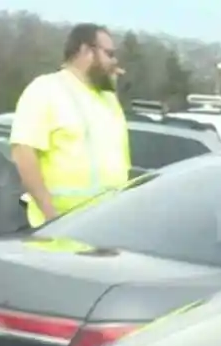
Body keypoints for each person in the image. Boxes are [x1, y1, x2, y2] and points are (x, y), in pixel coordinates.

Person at [8, 23, 132, 228]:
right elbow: (23, 152)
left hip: (107, 224)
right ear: (85, 51)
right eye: (109, 53)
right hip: (61, 225)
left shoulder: (108, 99)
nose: (114, 61)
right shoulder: (45, 89)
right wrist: (50, 217)